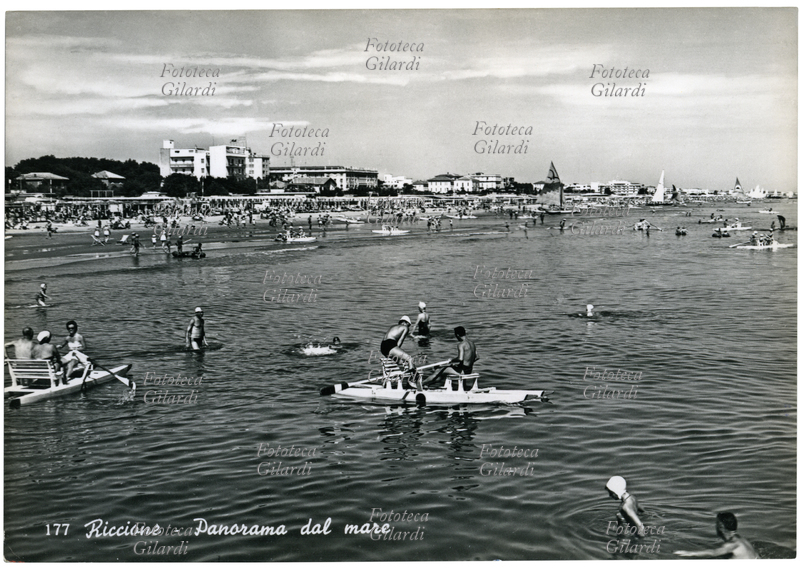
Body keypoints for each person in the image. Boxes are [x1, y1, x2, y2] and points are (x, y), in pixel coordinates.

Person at [675, 512, 758, 559]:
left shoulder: (731, 544)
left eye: (716, 524)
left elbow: (713, 553)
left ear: (721, 527)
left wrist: (689, 553)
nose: (715, 527)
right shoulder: (739, 538)